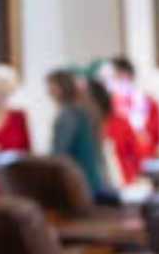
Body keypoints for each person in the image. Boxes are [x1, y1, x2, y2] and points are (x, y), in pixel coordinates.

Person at [46, 70, 114, 205]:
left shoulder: (68, 115)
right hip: (94, 182)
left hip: (79, 184)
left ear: (59, 88)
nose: (48, 92)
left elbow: (59, 154)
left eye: (50, 87)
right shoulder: (85, 112)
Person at [101, 57, 159, 163]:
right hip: (114, 162)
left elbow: (155, 136)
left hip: (142, 161)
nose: (107, 83)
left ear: (125, 75)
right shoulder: (105, 105)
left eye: (111, 77)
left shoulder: (148, 103)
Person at [87, 76, 143, 186]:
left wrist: (134, 179)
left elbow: (136, 155)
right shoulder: (83, 126)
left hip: (124, 182)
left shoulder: (120, 122)